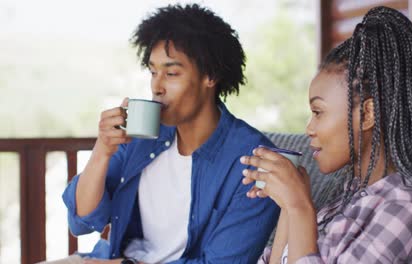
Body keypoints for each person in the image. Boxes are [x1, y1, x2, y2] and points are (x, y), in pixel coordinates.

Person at [40, 4, 280, 264]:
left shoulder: (255, 162)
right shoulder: (142, 136)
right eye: (153, 72)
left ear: (210, 75)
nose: (156, 86)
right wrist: (102, 151)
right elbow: (82, 221)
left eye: (172, 73)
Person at [240, 6, 412, 264]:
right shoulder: (348, 195)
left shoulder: (404, 208)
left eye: (318, 112)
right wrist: (290, 204)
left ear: (366, 114)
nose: (309, 128)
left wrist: (299, 207)